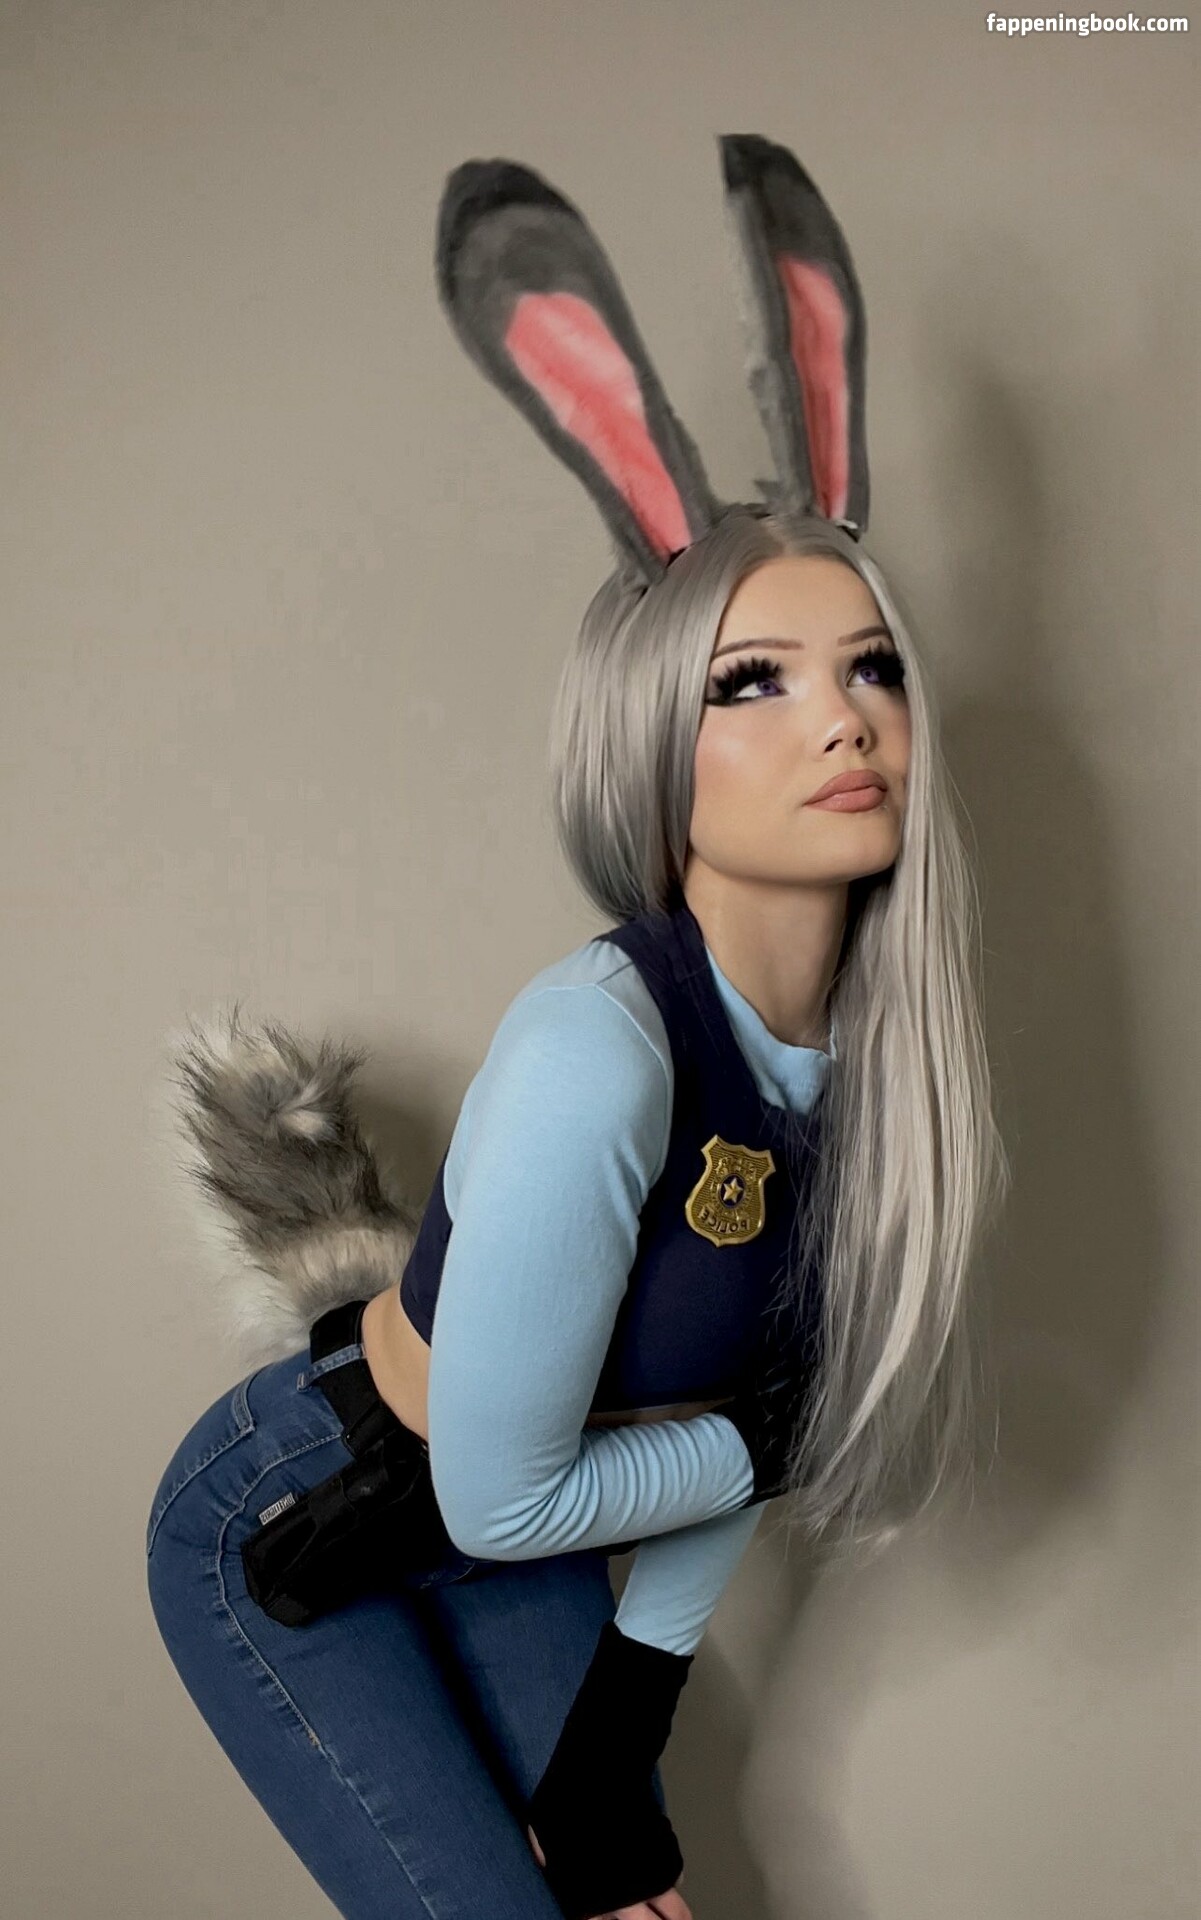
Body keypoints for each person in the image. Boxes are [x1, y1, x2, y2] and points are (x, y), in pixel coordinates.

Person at [145, 134, 1008, 1920]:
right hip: (305, 1517)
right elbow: (549, 1482)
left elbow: (710, 1416)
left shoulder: (876, 1075)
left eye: (870, 666)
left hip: (518, 1513)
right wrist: (765, 1438)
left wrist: (617, 1745)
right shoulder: (596, 1054)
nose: (841, 720)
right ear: (649, 735)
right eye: (751, 682)